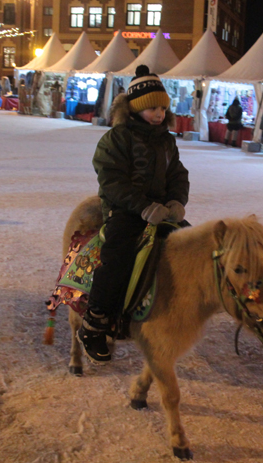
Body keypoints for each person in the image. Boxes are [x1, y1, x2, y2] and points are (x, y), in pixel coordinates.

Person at [79, 64, 190, 364]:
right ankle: (96, 320)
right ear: (135, 108)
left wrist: (177, 201)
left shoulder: (166, 140)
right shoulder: (117, 139)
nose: (158, 113)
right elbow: (112, 180)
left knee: (190, 246)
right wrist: (142, 206)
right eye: (151, 107)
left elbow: (178, 174)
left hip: (162, 211)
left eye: (162, 107)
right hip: (125, 209)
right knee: (117, 254)